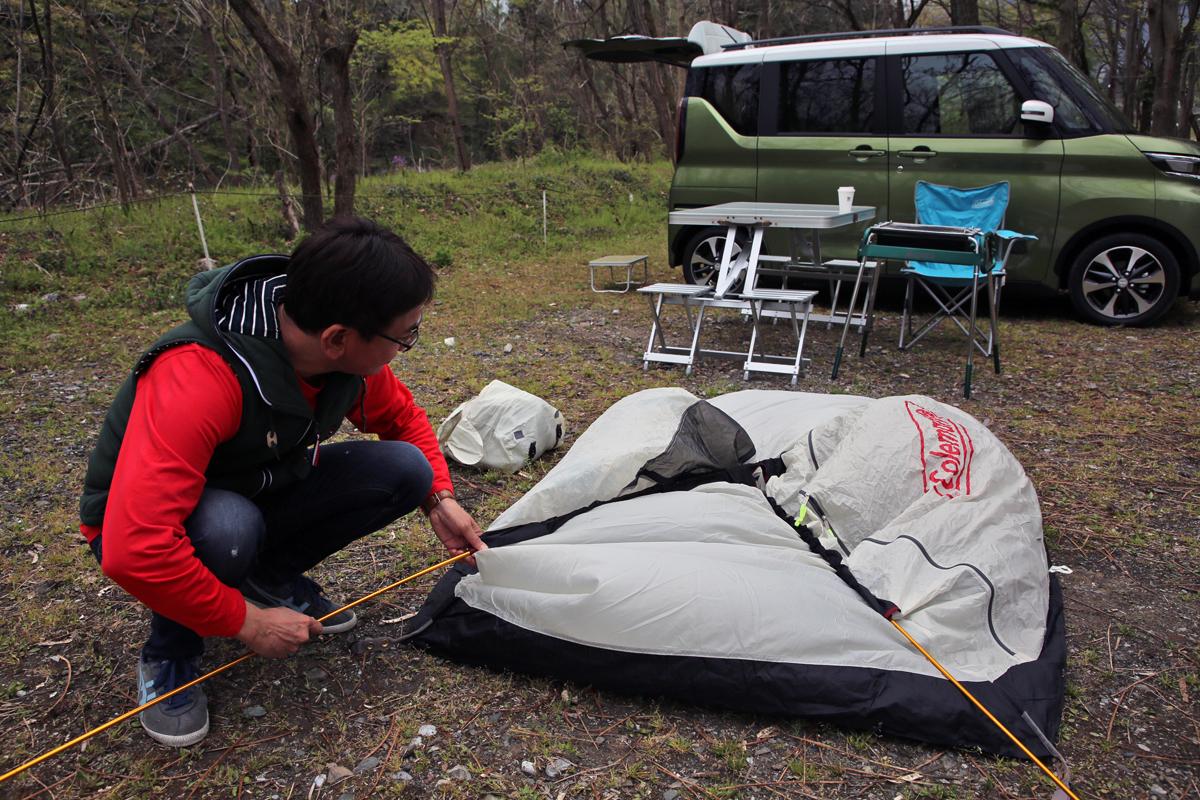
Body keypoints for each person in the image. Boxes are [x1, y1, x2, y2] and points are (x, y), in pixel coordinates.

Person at [78, 216, 486, 747]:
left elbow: (403, 420)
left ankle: (264, 576)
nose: (406, 345)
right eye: (404, 336)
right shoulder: (200, 375)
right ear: (337, 338)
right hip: (142, 524)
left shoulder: (342, 360)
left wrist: (439, 499)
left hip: (260, 489)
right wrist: (246, 623)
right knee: (227, 527)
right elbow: (136, 548)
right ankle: (170, 653)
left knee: (406, 468)